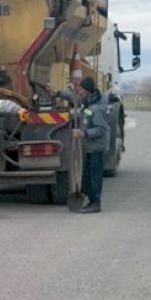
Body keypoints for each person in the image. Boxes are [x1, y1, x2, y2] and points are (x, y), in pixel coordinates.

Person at [49, 77, 109, 213]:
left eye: (81, 89)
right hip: (89, 146)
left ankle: (95, 203)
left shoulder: (97, 108)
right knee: (86, 174)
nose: (79, 91)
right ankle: (90, 197)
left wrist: (84, 133)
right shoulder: (87, 101)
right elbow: (73, 98)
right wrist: (57, 93)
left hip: (96, 146)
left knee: (94, 175)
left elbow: (101, 129)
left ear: (88, 91)